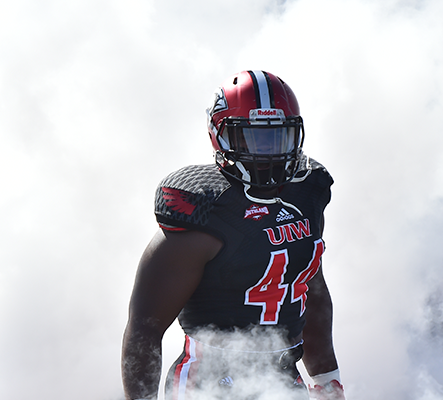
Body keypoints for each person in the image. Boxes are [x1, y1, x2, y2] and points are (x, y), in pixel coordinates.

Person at [122, 70, 344, 400]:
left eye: (277, 137)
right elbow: (145, 328)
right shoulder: (205, 212)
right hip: (210, 382)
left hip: (284, 375)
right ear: (221, 136)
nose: (267, 152)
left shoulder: (307, 194)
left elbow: (310, 289)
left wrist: (327, 380)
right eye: (253, 138)